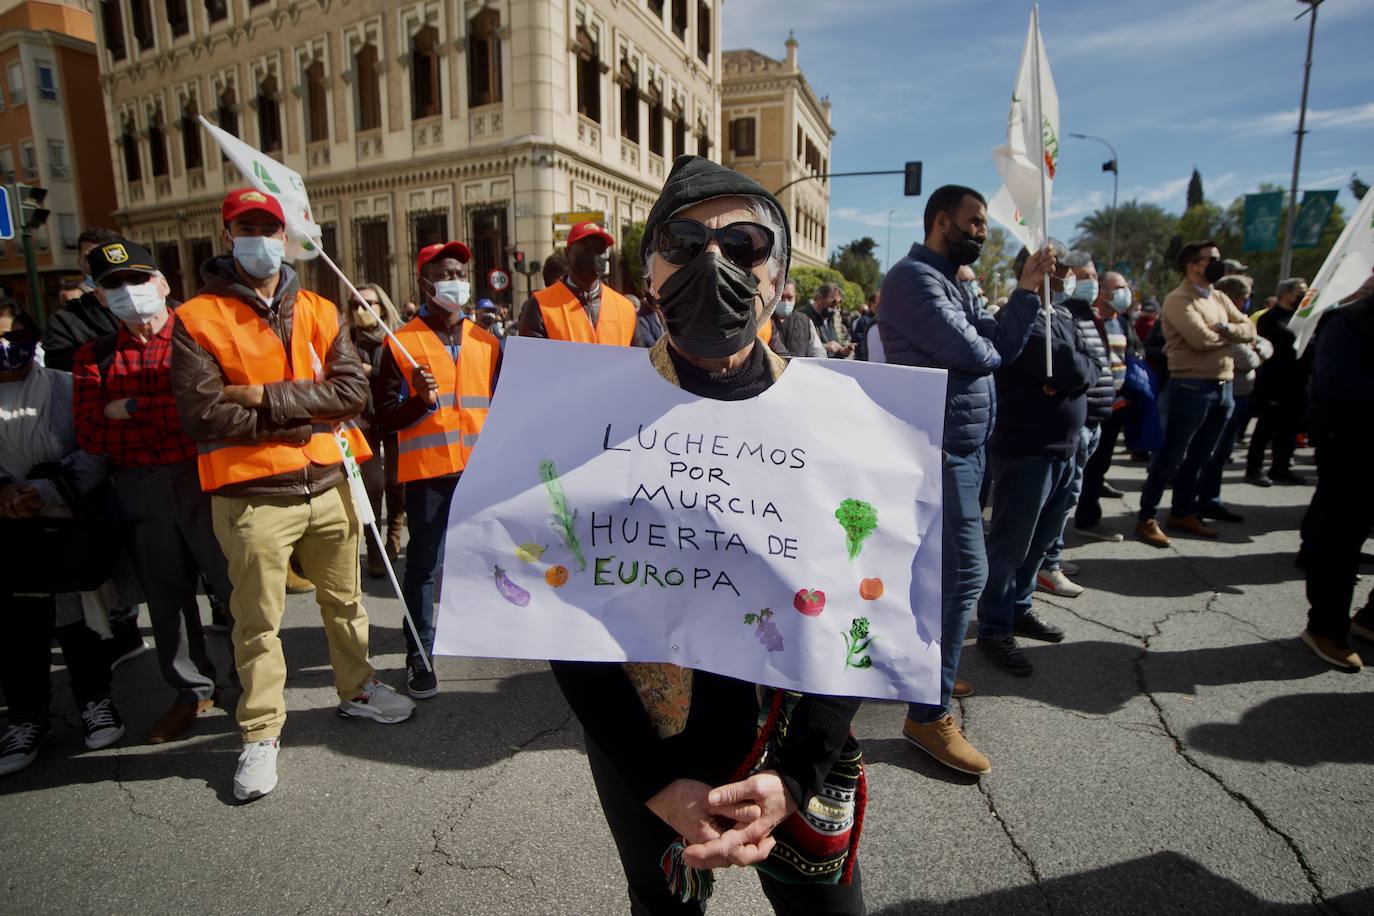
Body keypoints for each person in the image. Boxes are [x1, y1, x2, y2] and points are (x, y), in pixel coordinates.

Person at [552, 155, 865, 915]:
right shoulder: (583, 422)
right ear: (650, 271)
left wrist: (795, 775)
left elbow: (866, 611)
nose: (714, 263)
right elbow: (564, 620)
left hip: (794, 743)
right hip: (647, 752)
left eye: (744, 246)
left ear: (779, 274)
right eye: (685, 245)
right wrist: (655, 781)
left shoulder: (845, 424)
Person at [172, 189, 414, 802]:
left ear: (287, 236)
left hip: (329, 484)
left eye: (269, 228)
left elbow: (351, 393)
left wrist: (260, 397)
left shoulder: (318, 306)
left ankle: (357, 690)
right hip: (253, 495)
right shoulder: (195, 318)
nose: (260, 238)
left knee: (347, 603)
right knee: (256, 622)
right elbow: (203, 414)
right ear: (227, 234)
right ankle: (260, 732)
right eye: (246, 226)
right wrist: (304, 408)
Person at [878, 184, 1055, 775]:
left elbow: (999, 341)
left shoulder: (954, 279)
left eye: (984, 224)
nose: (982, 232)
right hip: (937, 450)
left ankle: (934, 673)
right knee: (964, 577)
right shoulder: (913, 280)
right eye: (974, 222)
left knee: (937, 577)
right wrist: (1018, 300)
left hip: (966, 447)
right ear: (940, 221)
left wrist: (1021, 298)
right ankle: (926, 716)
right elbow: (982, 353)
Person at [71, 240, 233, 744]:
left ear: (162, 284)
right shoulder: (92, 356)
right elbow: (91, 433)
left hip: (204, 474)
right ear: (99, 297)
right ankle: (191, 691)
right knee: (167, 599)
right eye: (113, 284)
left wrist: (131, 408)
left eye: (138, 279)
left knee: (236, 587)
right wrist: (162, 408)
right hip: (140, 486)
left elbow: (211, 411)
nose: (129, 291)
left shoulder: (201, 334)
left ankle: (255, 687)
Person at [0, 301, 125, 776]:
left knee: (79, 621)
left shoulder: (68, 387)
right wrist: (5, 494)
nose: (8, 351)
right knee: (17, 629)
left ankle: (96, 701)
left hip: (69, 522)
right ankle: (27, 718)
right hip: (8, 531)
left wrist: (43, 490)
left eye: (17, 337)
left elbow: (96, 448)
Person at [374, 240, 501, 700]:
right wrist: (417, 404)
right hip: (429, 476)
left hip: (479, 474)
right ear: (425, 280)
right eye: (446, 272)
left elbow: (504, 408)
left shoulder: (488, 343)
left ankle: (484, 633)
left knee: (485, 560)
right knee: (423, 568)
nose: (456, 280)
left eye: (462, 272)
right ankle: (419, 653)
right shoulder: (400, 343)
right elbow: (384, 415)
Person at [977, 246, 1098, 675]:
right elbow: (1069, 371)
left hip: (1066, 449)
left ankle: (1020, 608)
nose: (1066, 277)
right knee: (1011, 546)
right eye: (1059, 269)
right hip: (1027, 451)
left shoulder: (1063, 318)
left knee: (1042, 541)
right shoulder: (1017, 318)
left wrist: (1071, 378)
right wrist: (1071, 376)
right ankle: (994, 627)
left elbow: (1090, 367)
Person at [1134, 240, 1255, 548]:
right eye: (1211, 259)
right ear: (1193, 265)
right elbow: (1199, 339)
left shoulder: (1218, 297)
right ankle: (1147, 516)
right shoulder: (1178, 299)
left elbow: (1250, 329)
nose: (1217, 263)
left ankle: (1182, 511)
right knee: (1170, 456)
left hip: (1223, 386)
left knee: (1203, 455)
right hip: (1190, 387)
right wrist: (1232, 335)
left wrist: (1223, 329)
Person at [1298, 287, 1374, 670]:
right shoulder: (1347, 322)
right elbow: (1338, 386)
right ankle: (1326, 628)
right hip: (1354, 452)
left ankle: (1370, 619)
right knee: (1339, 542)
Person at [1037, 251, 1114, 599]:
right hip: (1074, 423)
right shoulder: (1061, 315)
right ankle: (1047, 564)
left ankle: (1051, 557)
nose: (1090, 284)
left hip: (1093, 418)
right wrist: (1080, 372)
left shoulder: (1089, 317)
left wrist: (1083, 371)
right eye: (1082, 276)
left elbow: (1095, 363)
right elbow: (1074, 368)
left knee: (1071, 494)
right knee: (1062, 498)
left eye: (1094, 276)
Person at [1074, 271, 1143, 540]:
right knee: (1084, 469)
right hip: (1092, 406)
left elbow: (1133, 356)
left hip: (1118, 405)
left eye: (1126, 287)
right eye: (1119, 288)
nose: (1125, 292)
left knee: (1099, 465)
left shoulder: (1123, 322)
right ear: (1101, 291)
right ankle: (1084, 520)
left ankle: (1089, 516)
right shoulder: (1088, 321)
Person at [1196, 275, 1270, 522]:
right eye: (1245, 298)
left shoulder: (1240, 324)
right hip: (1222, 392)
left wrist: (1254, 346)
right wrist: (1253, 349)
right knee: (1211, 453)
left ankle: (1209, 500)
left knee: (1222, 453)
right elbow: (1248, 359)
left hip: (1239, 395)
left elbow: (1265, 346)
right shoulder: (1218, 322)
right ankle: (1198, 502)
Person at [346, 281, 406, 577]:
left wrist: (374, 372)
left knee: (396, 482)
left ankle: (394, 536)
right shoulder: (345, 341)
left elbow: (403, 377)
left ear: (382, 306)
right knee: (372, 486)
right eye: (355, 304)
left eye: (368, 303)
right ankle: (374, 549)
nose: (361, 309)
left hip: (393, 420)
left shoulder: (396, 339)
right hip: (362, 423)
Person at [518, 223, 641, 346]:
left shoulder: (625, 309)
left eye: (599, 250)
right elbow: (530, 361)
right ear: (567, 253)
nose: (593, 256)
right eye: (586, 249)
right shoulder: (540, 306)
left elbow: (639, 362)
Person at [1246, 277, 1311, 487]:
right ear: (1285, 293)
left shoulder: (1302, 318)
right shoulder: (1270, 319)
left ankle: (1281, 468)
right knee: (1266, 427)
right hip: (1274, 383)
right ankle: (1254, 469)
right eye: (1299, 291)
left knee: (1289, 428)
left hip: (1298, 382)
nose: (1303, 294)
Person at [40, 228, 124, 372]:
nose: (98, 265)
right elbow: (63, 375)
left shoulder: (161, 307)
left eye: (107, 256)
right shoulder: (64, 322)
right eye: (90, 258)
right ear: (79, 262)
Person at [799, 283, 854, 358]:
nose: (835, 308)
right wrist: (824, 347)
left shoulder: (831, 318)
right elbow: (798, 346)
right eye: (833, 302)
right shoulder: (802, 317)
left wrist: (843, 351)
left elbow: (838, 342)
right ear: (819, 298)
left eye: (839, 303)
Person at [851, 292, 878, 361]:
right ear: (872, 303)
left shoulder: (882, 320)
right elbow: (860, 343)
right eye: (878, 303)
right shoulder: (864, 321)